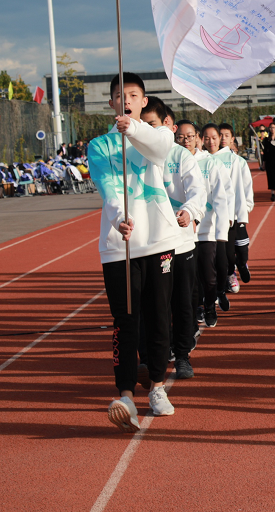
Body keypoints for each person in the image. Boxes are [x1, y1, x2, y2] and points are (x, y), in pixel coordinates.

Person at [88, 72, 180, 431]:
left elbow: (158, 150)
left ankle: (157, 386)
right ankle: (125, 395)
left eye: (133, 94)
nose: (126, 99)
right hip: (119, 247)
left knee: (159, 316)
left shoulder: (158, 135)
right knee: (126, 321)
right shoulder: (99, 146)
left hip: (158, 241)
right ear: (110, 103)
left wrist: (135, 129)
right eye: (119, 95)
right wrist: (120, 219)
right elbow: (108, 187)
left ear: (143, 101)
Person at [140, 100, 206, 380]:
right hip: (152, 245)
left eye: (152, 125)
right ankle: (155, 353)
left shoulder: (181, 156)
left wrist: (189, 211)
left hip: (180, 244)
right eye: (142, 126)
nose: (147, 131)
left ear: (167, 125)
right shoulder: (136, 156)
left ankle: (182, 355)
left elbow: (197, 192)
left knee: (182, 303)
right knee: (155, 304)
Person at [198, 123, 235, 323]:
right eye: (206, 137)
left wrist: (227, 218)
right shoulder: (188, 161)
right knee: (196, 274)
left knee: (219, 267)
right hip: (189, 230)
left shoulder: (215, 164)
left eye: (214, 137)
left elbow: (227, 193)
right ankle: (201, 306)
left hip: (214, 227)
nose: (210, 141)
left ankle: (218, 293)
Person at [216, 123, 255, 292]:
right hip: (220, 214)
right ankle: (230, 274)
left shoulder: (238, 162)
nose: (223, 138)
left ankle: (242, 263)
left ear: (232, 139)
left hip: (237, 212)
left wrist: (245, 206)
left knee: (241, 248)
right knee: (226, 250)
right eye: (220, 135)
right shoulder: (210, 160)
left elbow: (246, 185)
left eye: (226, 135)